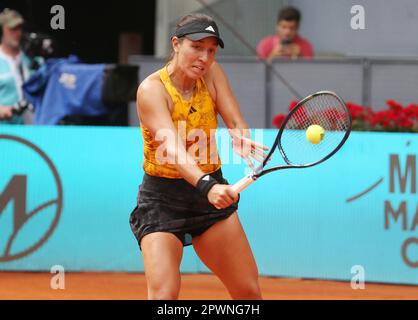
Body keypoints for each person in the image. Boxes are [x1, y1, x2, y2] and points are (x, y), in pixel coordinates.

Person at [129, 13, 268, 300]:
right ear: (176, 44)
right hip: (162, 201)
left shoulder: (212, 75)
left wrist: (239, 136)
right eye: (197, 47)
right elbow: (173, 149)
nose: (204, 57)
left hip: (208, 196)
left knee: (248, 292)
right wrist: (207, 185)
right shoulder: (152, 90)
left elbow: (235, 118)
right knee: (164, 296)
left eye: (211, 50)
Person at [0, 8, 33, 124]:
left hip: (31, 129)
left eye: (19, 28)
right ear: (2, 30)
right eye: (12, 29)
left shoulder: (31, 59)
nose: (17, 33)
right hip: (4, 130)